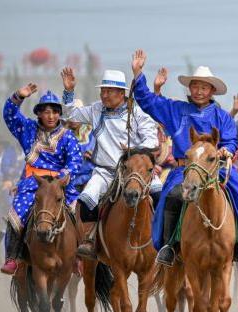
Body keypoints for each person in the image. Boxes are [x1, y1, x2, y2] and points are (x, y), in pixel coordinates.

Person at [130, 49, 238, 267]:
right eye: (195, 86)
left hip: (214, 169)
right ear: (189, 89)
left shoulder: (221, 116)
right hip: (184, 170)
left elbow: (229, 139)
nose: (199, 91)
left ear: (212, 91)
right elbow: (148, 101)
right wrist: (137, 74)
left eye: (204, 87)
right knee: (172, 196)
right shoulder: (176, 109)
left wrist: (226, 150)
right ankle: (169, 246)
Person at [61, 67, 163, 259]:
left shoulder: (138, 110)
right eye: (102, 91)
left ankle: (164, 241)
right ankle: (89, 240)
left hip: (136, 171)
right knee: (85, 200)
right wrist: (68, 91)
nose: (104, 95)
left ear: (121, 93)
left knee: (159, 193)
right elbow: (70, 116)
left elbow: (152, 140)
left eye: (109, 91)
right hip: (105, 172)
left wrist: (134, 150)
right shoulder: (96, 109)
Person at [1, 85, 82, 274]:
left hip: (60, 184)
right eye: (46, 112)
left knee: (79, 211)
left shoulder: (68, 136)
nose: (51, 116)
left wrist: (63, 177)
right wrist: (18, 96)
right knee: (17, 213)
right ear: (39, 114)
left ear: (59, 114)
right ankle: (12, 257)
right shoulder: (27, 129)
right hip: (33, 184)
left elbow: (75, 161)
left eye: (55, 111)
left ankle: (78, 257)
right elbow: (9, 115)